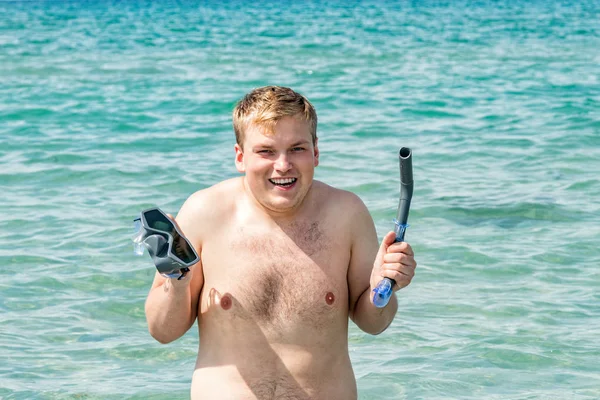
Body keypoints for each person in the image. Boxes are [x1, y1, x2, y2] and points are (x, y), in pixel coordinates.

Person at [144, 86, 417, 399]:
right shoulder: (205, 212)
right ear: (240, 156)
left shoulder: (346, 214)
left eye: (297, 149)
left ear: (316, 151)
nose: (283, 164)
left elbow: (373, 322)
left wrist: (385, 287)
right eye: (266, 151)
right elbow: (162, 331)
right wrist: (177, 284)